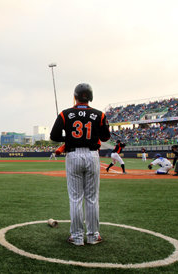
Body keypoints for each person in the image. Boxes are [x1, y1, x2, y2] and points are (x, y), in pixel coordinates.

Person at [50, 83, 111, 246]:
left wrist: (69, 138)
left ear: (75, 96)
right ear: (90, 97)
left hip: (73, 155)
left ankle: (76, 237)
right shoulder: (100, 114)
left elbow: (54, 136)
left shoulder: (65, 113)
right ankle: (93, 236)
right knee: (92, 198)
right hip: (92, 155)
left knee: (76, 198)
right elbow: (105, 138)